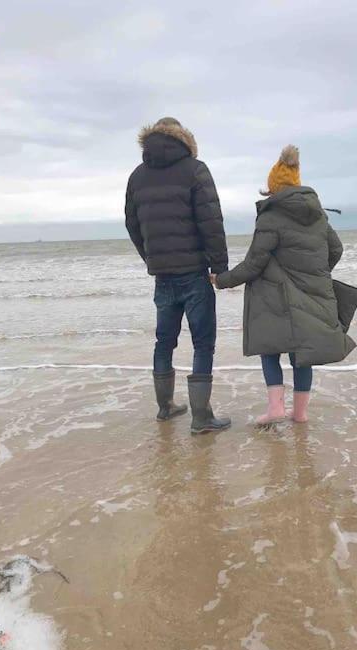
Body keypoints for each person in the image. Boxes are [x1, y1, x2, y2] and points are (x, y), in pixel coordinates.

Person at [213, 145, 356, 425]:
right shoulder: (318, 215)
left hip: (275, 297)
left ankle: (276, 409)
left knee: (270, 348)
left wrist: (221, 280)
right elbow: (336, 249)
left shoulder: (271, 217)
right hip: (313, 293)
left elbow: (254, 263)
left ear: (273, 187)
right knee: (303, 355)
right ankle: (300, 414)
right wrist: (315, 272)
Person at [125, 117, 231, 434]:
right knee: (202, 343)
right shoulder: (195, 169)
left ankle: (165, 407)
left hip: (162, 274)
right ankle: (201, 417)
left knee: (164, 341)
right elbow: (211, 221)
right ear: (184, 139)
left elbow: (132, 225)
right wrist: (220, 267)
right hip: (194, 274)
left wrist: (151, 258)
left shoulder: (137, 176)